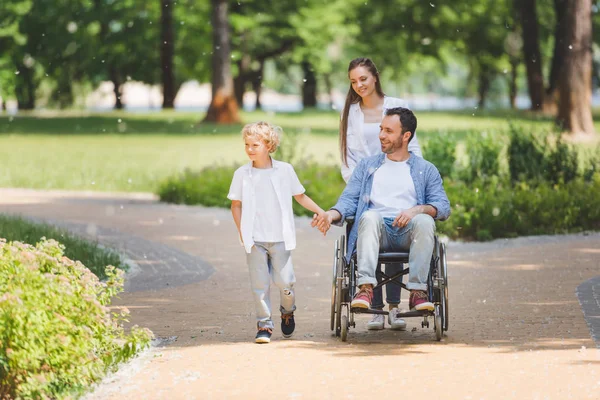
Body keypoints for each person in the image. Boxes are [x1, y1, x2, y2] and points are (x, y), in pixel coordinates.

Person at [313, 107, 450, 319]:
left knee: (424, 220)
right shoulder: (367, 166)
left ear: (406, 136)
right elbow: (349, 199)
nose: (381, 135)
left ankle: (418, 292)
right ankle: (365, 288)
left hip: (409, 232)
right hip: (375, 231)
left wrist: (417, 210)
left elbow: (442, 206)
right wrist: (331, 214)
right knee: (369, 215)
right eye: (381, 129)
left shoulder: (425, 169)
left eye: (388, 131)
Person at [339, 57, 423, 330]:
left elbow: (413, 145)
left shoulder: (396, 106)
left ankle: (395, 308)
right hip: (364, 182)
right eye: (353, 81)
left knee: (397, 227)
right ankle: (375, 307)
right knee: (369, 227)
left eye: (363, 78)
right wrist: (359, 183)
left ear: (374, 77)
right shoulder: (351, 111)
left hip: (398, 177)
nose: (359, 85)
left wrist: (415, 178)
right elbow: (348, 154)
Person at [228, 122, 327, 344]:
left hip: (280, 238)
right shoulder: (242, 174)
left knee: (286, 283)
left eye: (255, 144)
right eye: (247, 144)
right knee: (259, 285)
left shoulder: (284, 170)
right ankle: (264, 325)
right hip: (254, 240)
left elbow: (300, 196)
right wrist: (242, 233)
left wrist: (321, 212)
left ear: (268, 145)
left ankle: (287, 311)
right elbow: (236, 205)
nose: (250, 149)